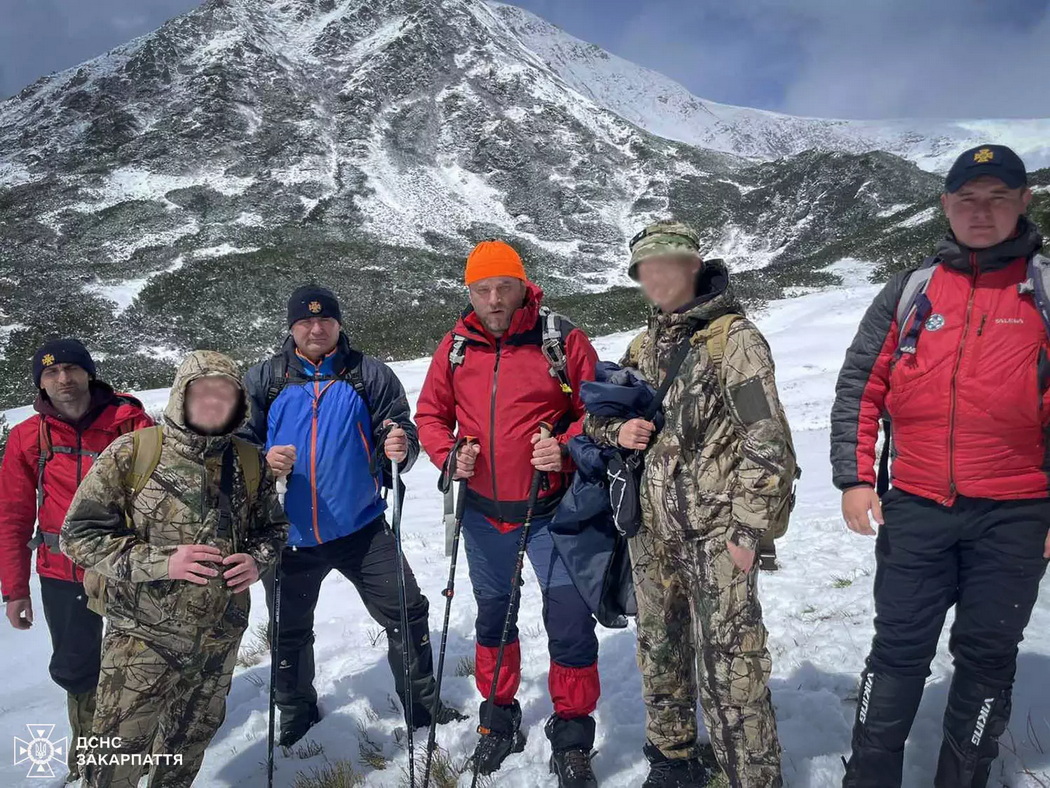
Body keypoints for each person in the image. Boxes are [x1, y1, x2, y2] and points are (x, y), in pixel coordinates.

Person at [832, 144, 1048, 788]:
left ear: (1023, 203)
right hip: (918, 506)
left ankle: (965, 778)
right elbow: (860, 386)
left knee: (987, 656)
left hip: (1016, 515)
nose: (981, 212)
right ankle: (870, 778)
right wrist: (855, 477)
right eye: (967, 199)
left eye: (997, 198)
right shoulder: (911, 290)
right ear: (946, 205)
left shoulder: (1042, 289)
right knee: (897, 651)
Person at [585, 221, 794, 788]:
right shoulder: (641, 345)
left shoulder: (734, 341)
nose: (657, 277)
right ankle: (673, 760)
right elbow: (596, 419)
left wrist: (748, 530)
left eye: (668, 265)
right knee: (661, 651)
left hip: (717, 535)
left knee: (733, 667)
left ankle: (747, 777)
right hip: (652, 534)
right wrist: (617, 431)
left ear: (692, 266)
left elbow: (769, 441)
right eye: (645, 269)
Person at [240, 285, 462, 747]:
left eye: (325, 321)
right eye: (305, 321)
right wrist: (262, 460)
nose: (316, 328)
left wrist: (400, 443)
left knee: (406, 611)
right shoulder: (266, 379)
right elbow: (238, 446)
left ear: (339, 325)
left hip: (361, 527)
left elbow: (399, 428)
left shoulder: (368, 375)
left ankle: (422, 705)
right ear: (292, 327)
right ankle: (296, 715)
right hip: (288, 534)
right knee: (289, 630)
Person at [416, 240, 602, 787]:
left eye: (504, 286)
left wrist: (565, 445)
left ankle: (571, 733)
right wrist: (449, 454)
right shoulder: (455, 346)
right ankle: (498, 716)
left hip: (554, 511)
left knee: (569, 621)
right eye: (482, 289)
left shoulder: (560, 339)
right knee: (494, 619)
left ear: (524, 285)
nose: (494, 299)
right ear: (469, 292)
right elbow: (431, 414)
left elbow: (595, 411)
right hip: (484, 514)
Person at [60, 350, 288, 788]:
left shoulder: (248, 460)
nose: (213, 402)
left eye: (226, 393)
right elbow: (79, 535)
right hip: (141, 639)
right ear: (181, 396)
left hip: (218, 639)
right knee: (114, 760)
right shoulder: (134, 452)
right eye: (202, 392)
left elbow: (273, 529)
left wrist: (256, 560)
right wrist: (165, 562)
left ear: (239, 402)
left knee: (184, 754)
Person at [0, 339, 152, 783]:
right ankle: (91, 756)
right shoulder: (30, 436)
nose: (62, 379)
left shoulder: (130, 423)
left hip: (126, 566)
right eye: (50, 373)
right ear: (40, 383)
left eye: (70, 368)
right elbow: (13, 515)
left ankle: (139, 746)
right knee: (78, 667)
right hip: (62, 571)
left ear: (89, 372)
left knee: (138, 661)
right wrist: (14, 590)